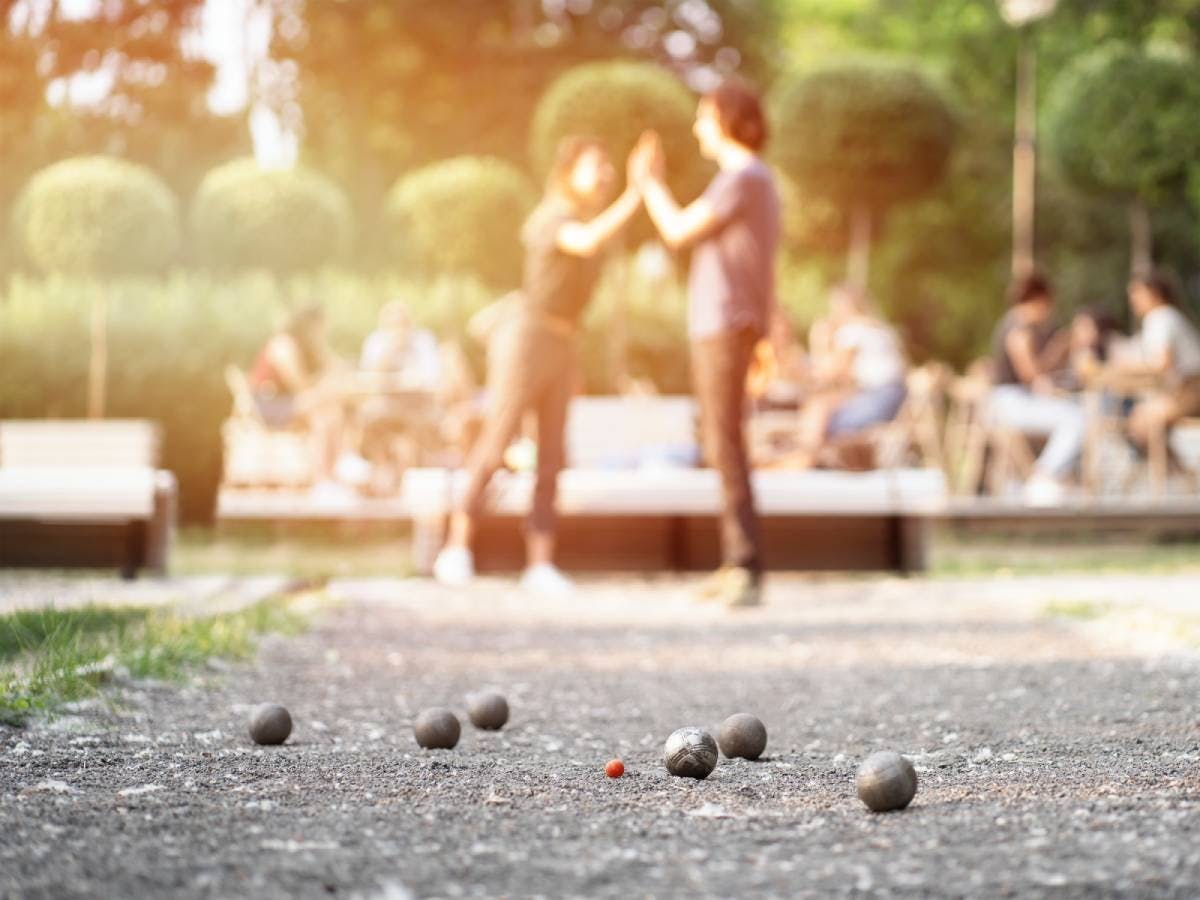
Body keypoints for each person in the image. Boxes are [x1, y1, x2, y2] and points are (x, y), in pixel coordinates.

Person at [431, 136, 643, 595]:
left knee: (551, 455)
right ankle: (456, 547)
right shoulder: (551, 217)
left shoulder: (587, 219)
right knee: (497, 439)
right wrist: (636, 194)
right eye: (597, 165)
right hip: (526, 340)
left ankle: (540, 564)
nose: (605, 175)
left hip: (563, 343)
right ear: (568, 172)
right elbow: (584, 244)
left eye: (610, 167)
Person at [631, 78, 781, 608]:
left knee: (726, 444)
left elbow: (675, 230)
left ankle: (745, 565)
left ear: (725, 119)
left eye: (703, 117)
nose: (696, 128)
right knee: (722, 444)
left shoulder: (742, 178)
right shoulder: (750, 181)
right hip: (726, 327)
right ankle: (735, 560)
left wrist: (647, 183)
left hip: (724, 326)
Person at [784, 284, 907, 469]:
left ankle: (803, 461)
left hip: (878, 400)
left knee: (818, 409)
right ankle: (811, 459)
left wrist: (817, 340)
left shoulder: (852, 330)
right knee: (823, 405)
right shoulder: (879, 328)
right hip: (896, 398)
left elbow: (831, 373)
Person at [986, 272, 1083, 505]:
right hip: (1009, 403)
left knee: (1073, 415)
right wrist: (1059, 349)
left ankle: (1046, 478)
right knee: (1077, 419)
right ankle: (1044, 475)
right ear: (1041, 299)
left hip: (1009, 402)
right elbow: (1031, 374)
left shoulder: (1014, 323)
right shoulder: (1019, 327)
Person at [248, 304, 349, 496]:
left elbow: (336, 366)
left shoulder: (306, 347)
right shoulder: (283, 345)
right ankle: (326, 476)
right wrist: (325, 384)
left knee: (329, 413)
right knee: (326, 406)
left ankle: (331, 475)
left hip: (292, 403)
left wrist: (328, 361)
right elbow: (299, 385)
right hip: (271, 406)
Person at [1116, 272, 1200, 454]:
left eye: (1137, 292)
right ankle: (1177, 472)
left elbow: (1162, 363)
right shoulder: (1166, 316)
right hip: (1186, 390)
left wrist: (1128, 366)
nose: (1132, 299)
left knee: (1139, 419)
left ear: (1153, 293)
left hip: (1191, 391)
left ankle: (1168, 472)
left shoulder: (1161, 316)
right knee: (1140, 417)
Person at [359, 300, 441, 388]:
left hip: (422, 397)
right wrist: (388, 352)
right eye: (391, 325)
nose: (398, 330)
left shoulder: (423, 339)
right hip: (385, 398)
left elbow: (433, 375)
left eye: (402, 324)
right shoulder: (375, 341)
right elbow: (367, 377)